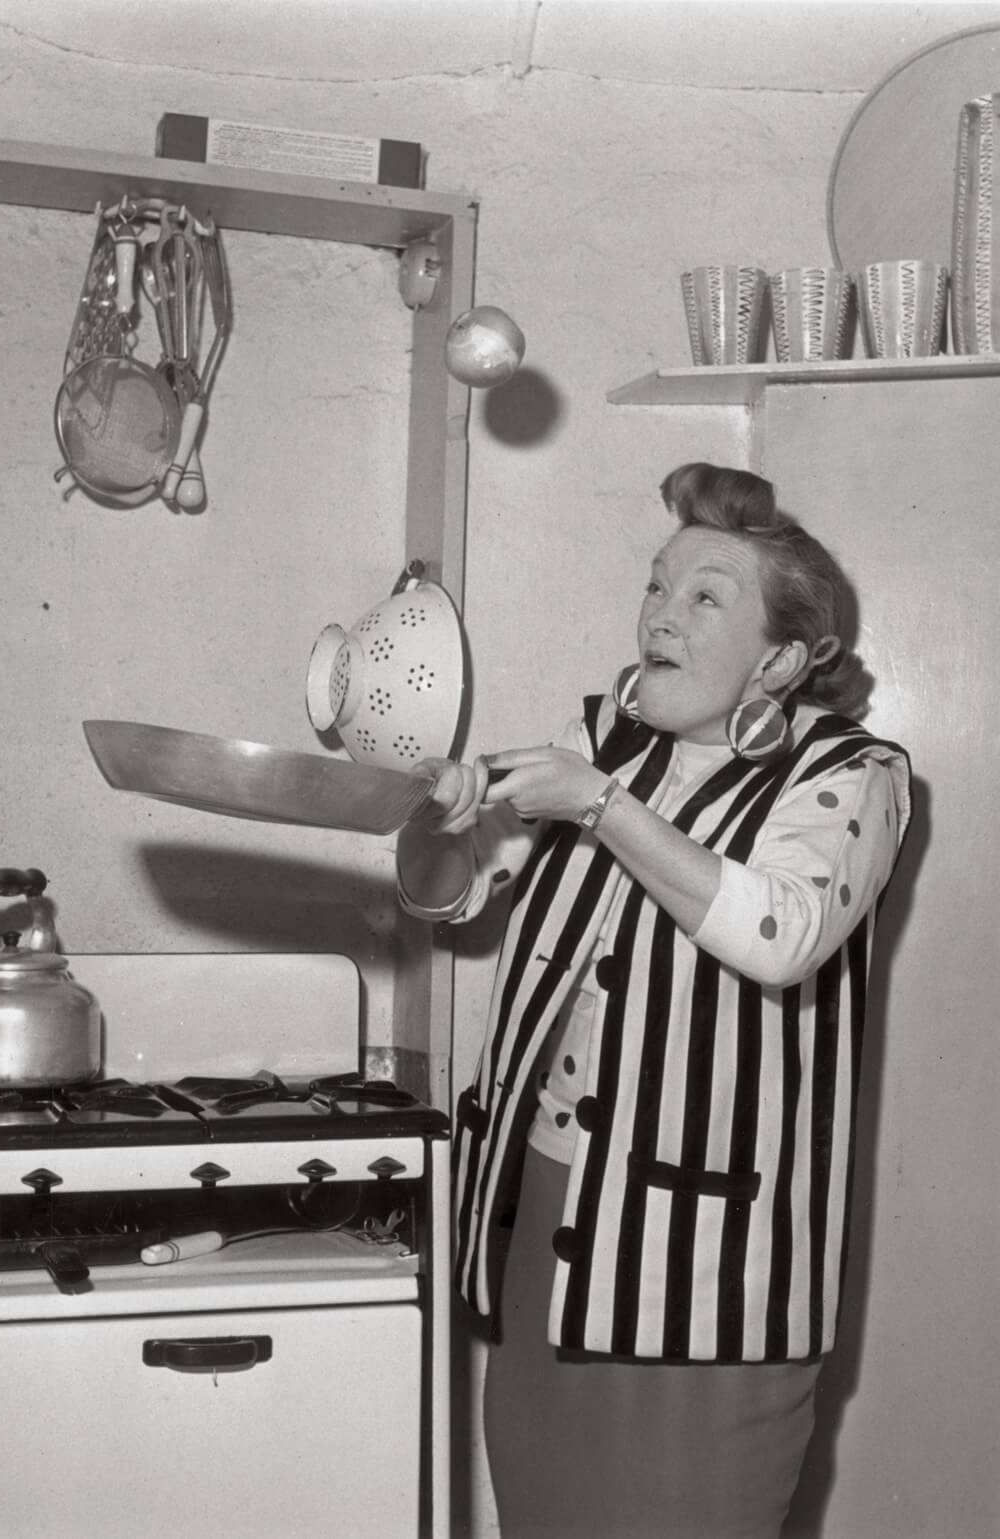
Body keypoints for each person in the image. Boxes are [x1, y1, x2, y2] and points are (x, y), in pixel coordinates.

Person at [397, 462, 911, 1539]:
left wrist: (600, 805)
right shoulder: (605, 737)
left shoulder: (853, 775)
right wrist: (442, 829)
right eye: (656, 587)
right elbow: (465, 905)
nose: (660, 618)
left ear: (781, 656)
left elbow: (784, 936)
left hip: (713, 1261)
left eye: (704, 597)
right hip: (547, 1215)